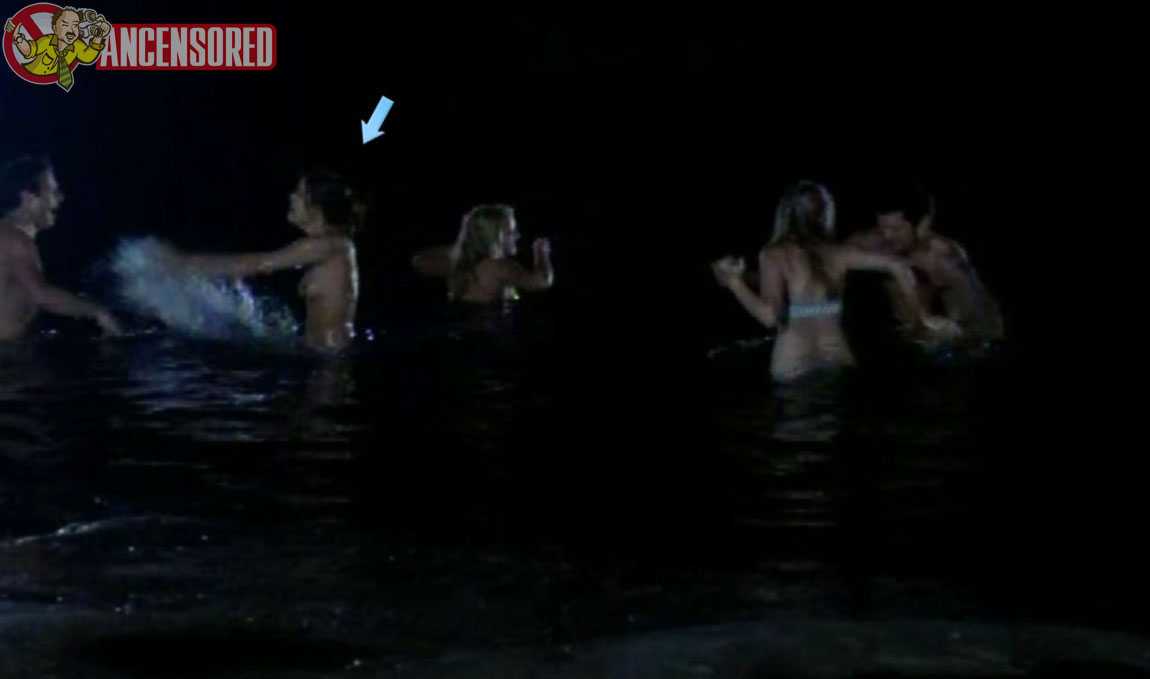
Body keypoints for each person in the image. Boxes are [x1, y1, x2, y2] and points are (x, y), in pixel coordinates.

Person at [712, 180, 949, 382]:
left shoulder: (773, 253)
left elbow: (769, 317)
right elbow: (899, 265)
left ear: (785, 213)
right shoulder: (841, 253)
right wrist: (923, 317)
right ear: (825, 214)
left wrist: (735, 283)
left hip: (793, 363)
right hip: (837, 358)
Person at [161, 169, 364, 352]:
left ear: (315, 208)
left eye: (299, 194)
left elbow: (259, 264)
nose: (291, 197)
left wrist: (184, 264)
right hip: (323, 355)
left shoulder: (327, 246)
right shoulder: (332, 246)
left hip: (330, 361)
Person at [846, 190, 1003, 350]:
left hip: (932, 341)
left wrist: (953, 332)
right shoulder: (869, 243)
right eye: (882, 228)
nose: (887, 236)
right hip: (891, 332)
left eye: (896, 229)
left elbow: (985, 319)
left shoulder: (939, 256)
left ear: (922, 225)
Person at [0, 156, 121, 340]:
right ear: (28, 197)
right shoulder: (13, 239)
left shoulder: (11, 236)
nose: (60, 199)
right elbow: (41, 295)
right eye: (53, 192)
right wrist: (96, 311)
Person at [412, 204, 553, 303]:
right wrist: (541, 251)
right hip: (493, 329)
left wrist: (462, 240)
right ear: (495, 236)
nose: (517, 236)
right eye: (511, 232)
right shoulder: (500, 267)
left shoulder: (458, 263)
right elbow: (542, 282)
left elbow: (418, 261)